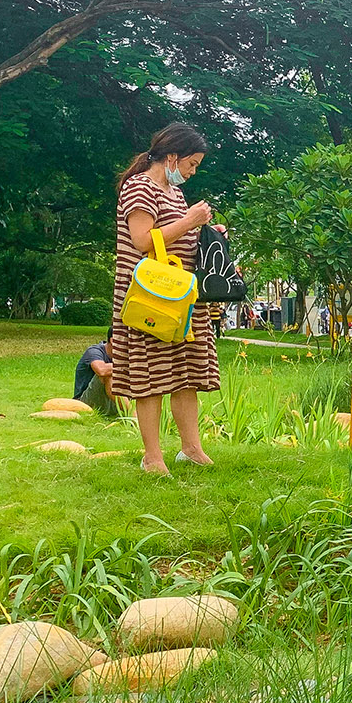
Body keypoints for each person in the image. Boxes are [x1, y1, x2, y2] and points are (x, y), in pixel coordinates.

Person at [110, 122, 219, 476]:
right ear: (172, 156)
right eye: (192, 164)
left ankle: (191, 448)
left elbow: (175, 232)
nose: (192, 171)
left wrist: (205, 230)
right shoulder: (139, 188)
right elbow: (142, 240)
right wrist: (190, 221)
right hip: (152, 299)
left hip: (181, 297)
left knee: (185, 374)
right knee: (151, 375)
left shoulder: (173, 192)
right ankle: (152, 457)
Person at [72, 340, 120, 417]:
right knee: (107, 374)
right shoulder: (94, 351)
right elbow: (101, 370)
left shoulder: (127, 355)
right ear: (113, 340)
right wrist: (127, 366)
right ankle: (133, 414)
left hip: (111, 402)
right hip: (84, 403)